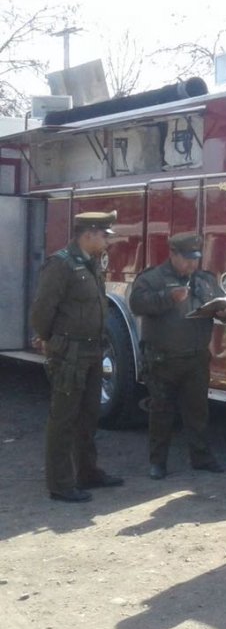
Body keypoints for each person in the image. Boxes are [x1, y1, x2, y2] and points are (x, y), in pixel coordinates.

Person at [30, 211, 124, 502]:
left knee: (88, 416)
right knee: (64, 418)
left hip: (92, 350)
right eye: (104, 236)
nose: (108, 242)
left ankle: (87, 472)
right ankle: (60, 484)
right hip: (70, 353)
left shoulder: (89, 263)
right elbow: (42, 310)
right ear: (89, 234)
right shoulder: (61, 264)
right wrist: (50, 341)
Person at [129, 232, 226, 480]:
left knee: (198, 412)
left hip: (196, 358)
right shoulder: (152, 278)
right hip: (162, 359)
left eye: (195, 258)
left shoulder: (205, 279)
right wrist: (168, 297)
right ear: (173, 254)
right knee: (161, 412)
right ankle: (158, 462)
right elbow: (137, 305)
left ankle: (201, 458)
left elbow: (222, 308)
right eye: (187, 259)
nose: (192, 264)